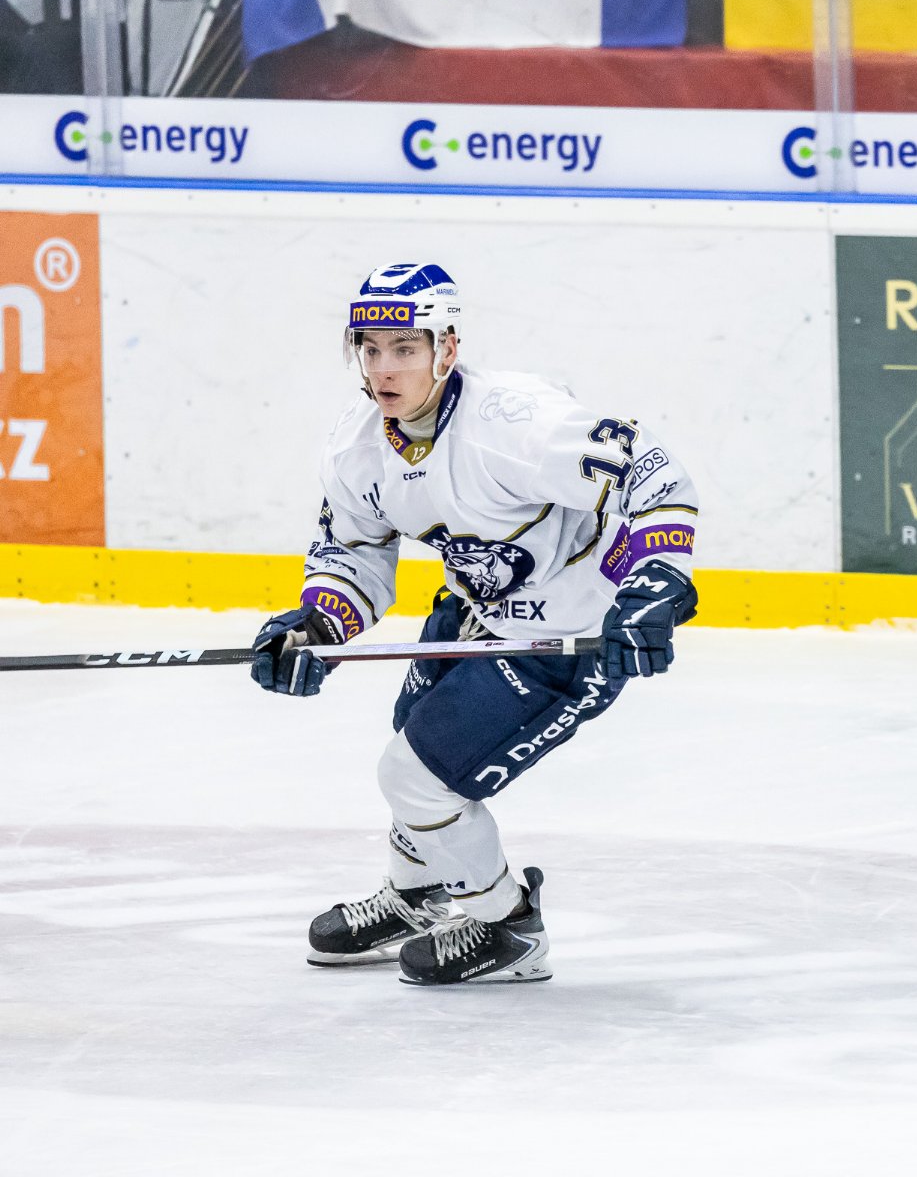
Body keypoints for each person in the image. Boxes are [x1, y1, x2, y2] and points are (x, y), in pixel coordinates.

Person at [251, 262, 699, 986]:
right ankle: (419, 895)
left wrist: (656, 581)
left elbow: (653, 471)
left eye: (405, 348)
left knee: (418, 778)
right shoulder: (356, 444)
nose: (383, 367)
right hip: (471, 611)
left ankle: (507, 926)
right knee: (413, 744)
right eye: (370, 348)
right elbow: (356, 554)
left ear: (447, 348)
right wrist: (315, 626)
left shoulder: (514, 423)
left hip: (567, 638)